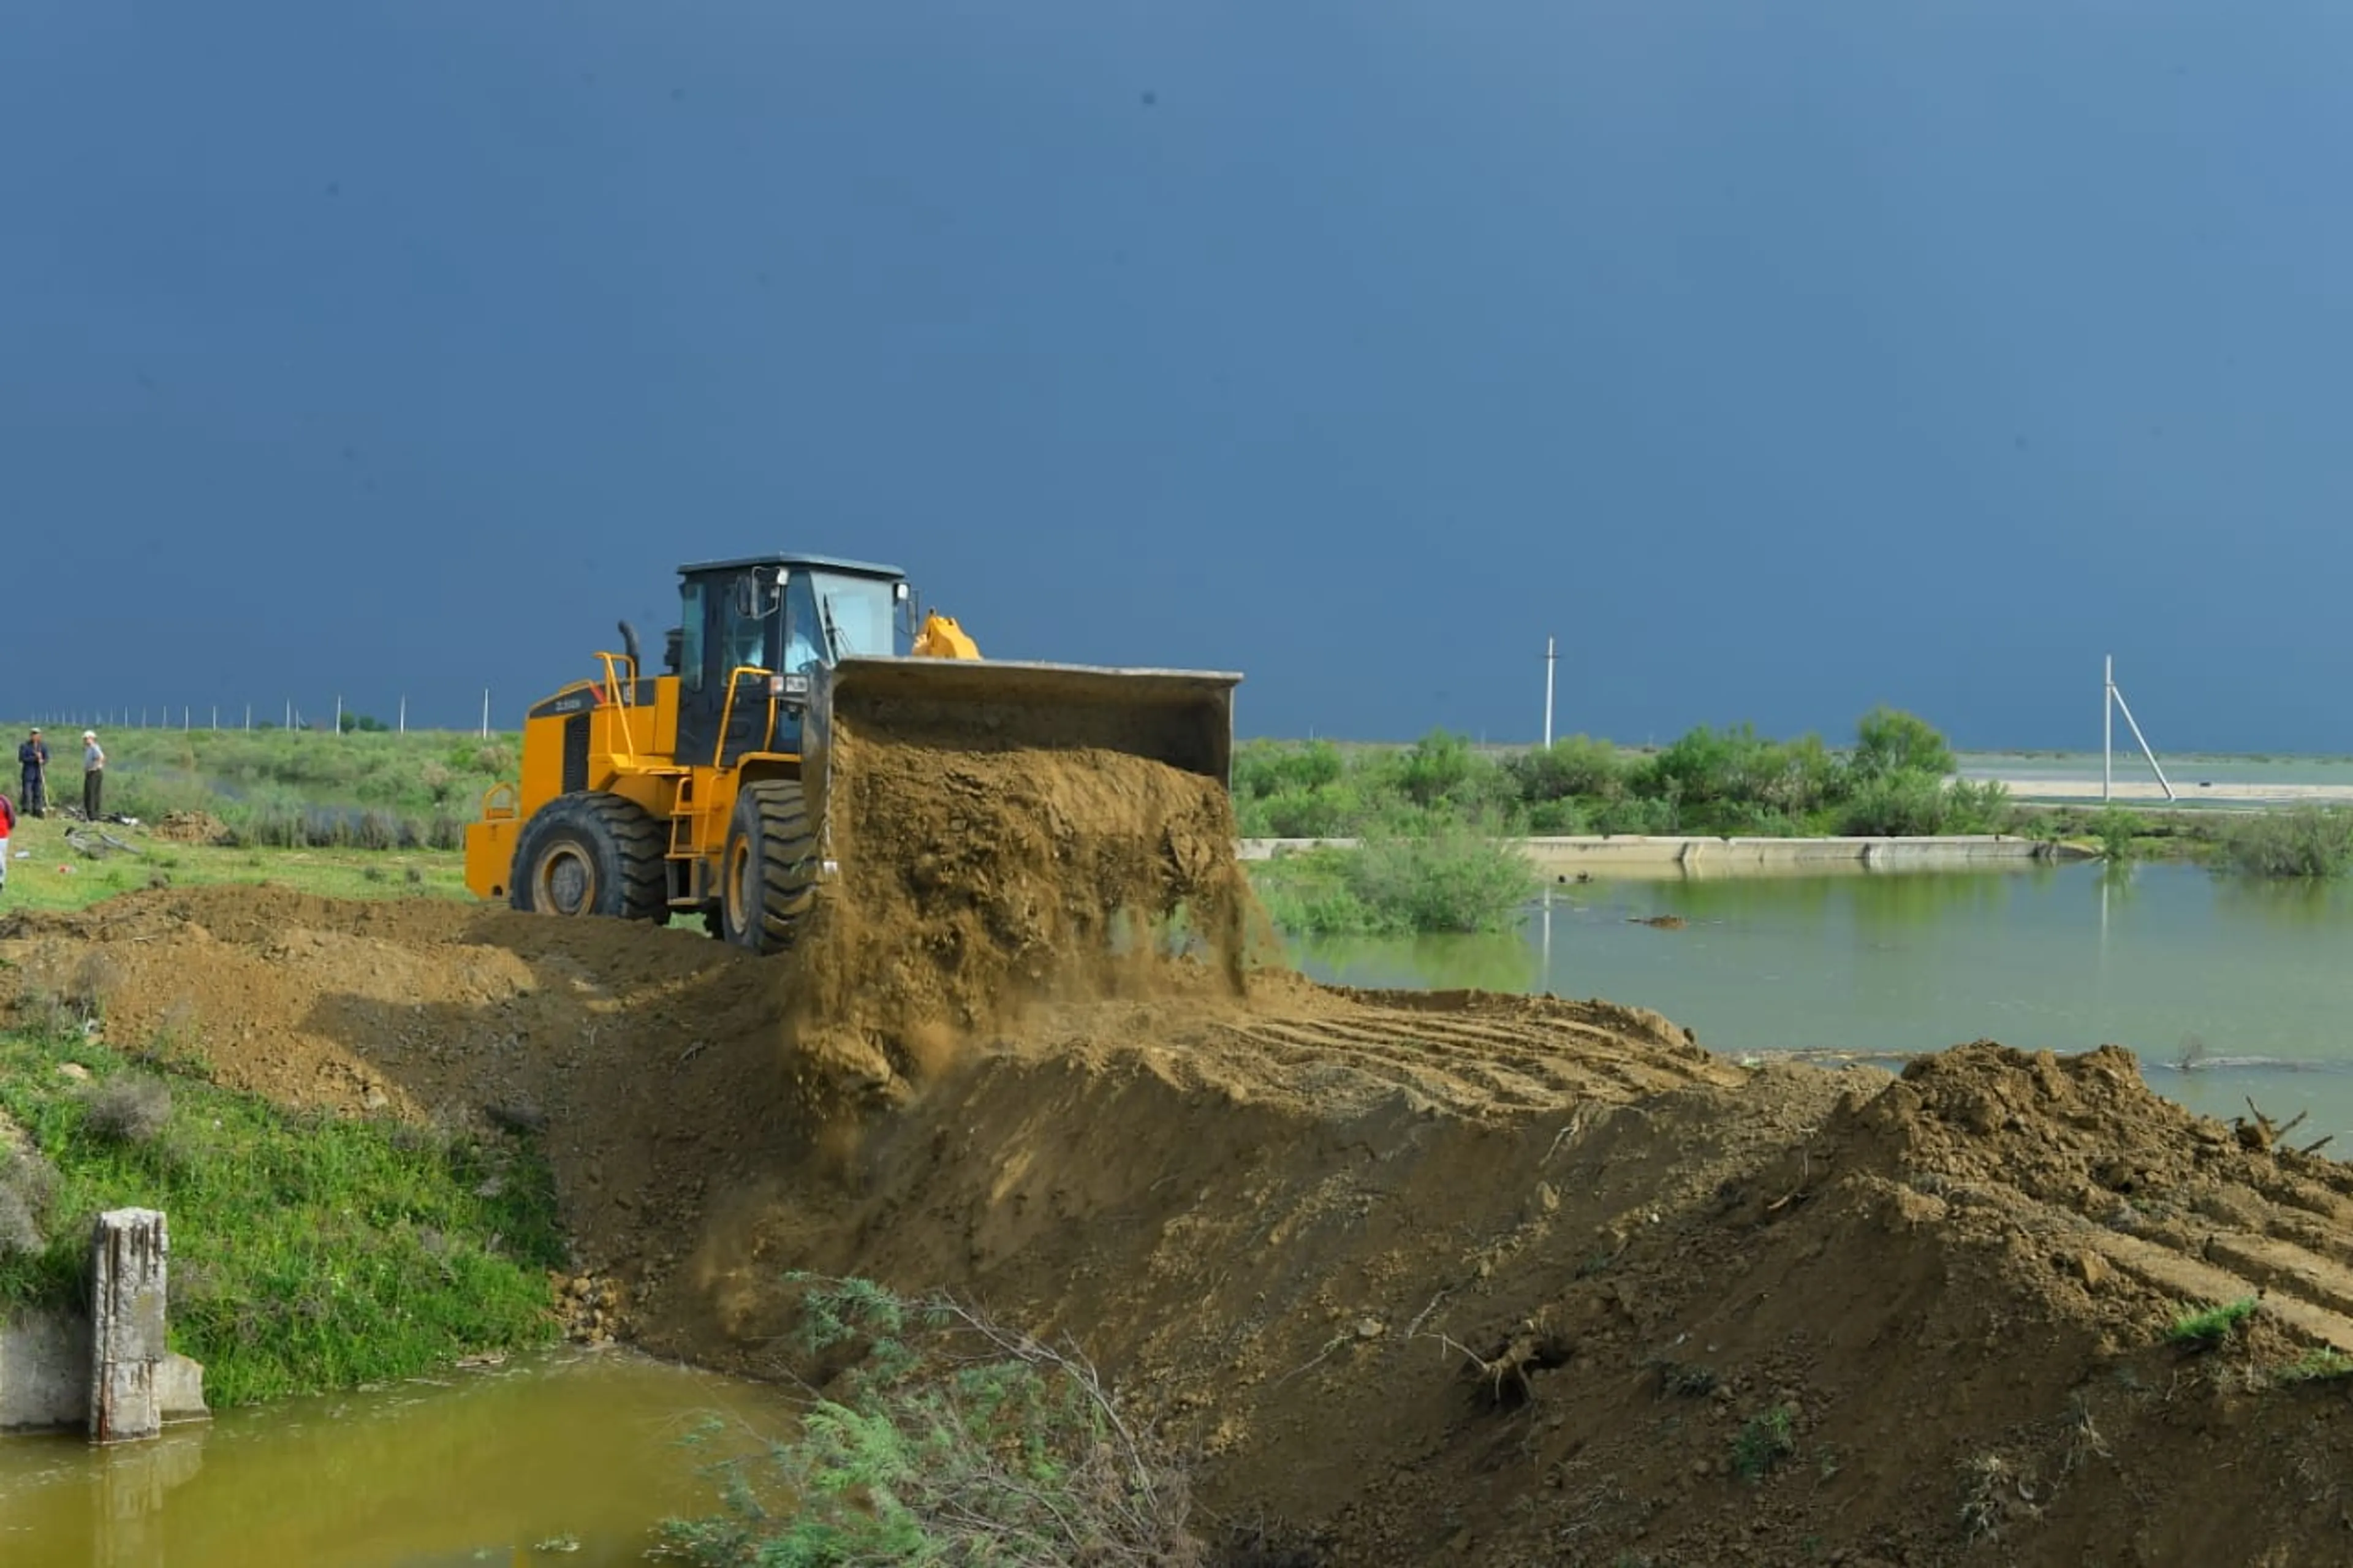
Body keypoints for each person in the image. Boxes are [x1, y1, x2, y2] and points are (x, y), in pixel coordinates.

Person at [17, 727, 47, 817]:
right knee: (27, 792)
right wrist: (34, 758)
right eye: (34, 734)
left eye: (37, 734)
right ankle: (26, 810)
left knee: (38, 792)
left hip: (39, 773)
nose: (35, 736)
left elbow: (47, 758)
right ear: (31, 735)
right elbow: (22, 758)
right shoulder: (25, 746)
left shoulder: (43, 746)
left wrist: (42, 761)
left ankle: (37, 810)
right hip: (28, 773)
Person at [81, 729, 104, 820]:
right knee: (88, 793)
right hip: (90, 773)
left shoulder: (95, 747)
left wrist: (95, 767)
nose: (85, 741)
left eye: (87, 739)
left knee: (92, 794)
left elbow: (101, 757)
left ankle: (93, 815)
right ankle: (90, 814)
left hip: (95, 773)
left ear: (92, 738)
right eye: (85, 739)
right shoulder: (89, 749)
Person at [0, 786, 13, 895]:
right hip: (4, 836)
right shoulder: (5, 801)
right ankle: (1, 881)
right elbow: (12, 820)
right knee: (2, 859)